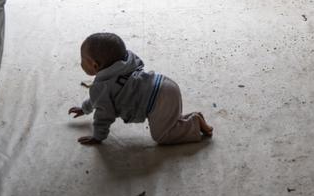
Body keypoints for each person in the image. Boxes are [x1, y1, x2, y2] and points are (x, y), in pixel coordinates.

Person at [68, 33, 213, 145]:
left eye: (82, 59)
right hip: (164, 84)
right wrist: (84, 108)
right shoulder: (125, 63)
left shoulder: (100, 88)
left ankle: (194, 124)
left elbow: (103, 115)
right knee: (167, 122)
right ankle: (194, 118)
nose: (80, 63)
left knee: (162, 136)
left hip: (157, 101)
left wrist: (98, 137)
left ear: (95, 65)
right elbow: (99, 99)